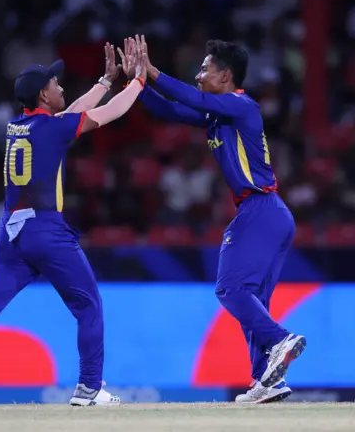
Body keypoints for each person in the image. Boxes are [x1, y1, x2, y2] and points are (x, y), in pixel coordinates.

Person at [0, 42, 148, 408]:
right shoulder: (52, 128)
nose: (62, 88)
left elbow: (72, 114)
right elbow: (109, 114)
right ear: (44, 94)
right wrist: (137, 81)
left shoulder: (19, 126)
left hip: (10, 233)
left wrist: (106, 80)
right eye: (56, 83)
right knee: (89, 305)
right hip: (46, 230)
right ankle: (89, 389)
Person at [120, 36, 306, 404]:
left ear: (225, 75)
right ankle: (267, 381)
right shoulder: (217, 114)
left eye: (205, 68)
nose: (198, 74)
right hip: (269, 213)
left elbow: (192, 98)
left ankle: (280, 339)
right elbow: (169, 110)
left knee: (230, 289)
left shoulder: (241, 104)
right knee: (254, 299)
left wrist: (152, 71)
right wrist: (135, 82)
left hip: (260, 209)